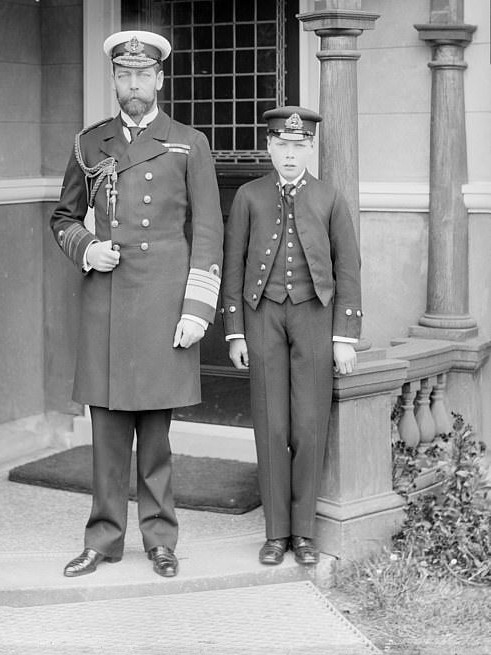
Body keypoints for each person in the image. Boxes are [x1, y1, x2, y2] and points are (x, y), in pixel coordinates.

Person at [50, 30, 223, 578]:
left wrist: (197, 309)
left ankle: (160, 539)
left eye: (142, 75)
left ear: (159, 80)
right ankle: (102, 539)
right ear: (116, 81)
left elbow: (211, 230)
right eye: (124, 76)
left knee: (155, 432)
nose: (133, 85)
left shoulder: (188, 143)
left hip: (164, 301)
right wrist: (87, 249)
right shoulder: (90, 143)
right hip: (106, 298)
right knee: (105, 431)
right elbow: (62, 217)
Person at [221, 106, 361, 566]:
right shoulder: (248, 196)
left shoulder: (329, 197)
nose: (289, 153)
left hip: (314, 318)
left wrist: (344, 336)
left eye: (298, 145)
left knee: (307, 426)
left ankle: (304, 533)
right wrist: (236, 331)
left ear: (310, 148)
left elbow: (348, 268)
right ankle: (275, 533)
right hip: (262, 317)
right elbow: (234, 265)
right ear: (268, 146)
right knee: (271, 425)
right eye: (281, 144)